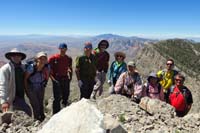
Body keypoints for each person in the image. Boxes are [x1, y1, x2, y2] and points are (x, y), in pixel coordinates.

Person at [0, 48, 32, 116]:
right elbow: (2, 85)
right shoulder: (5, 69)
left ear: (21, 57)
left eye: (18, 56)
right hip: (12, 96)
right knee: (27, 110)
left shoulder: (22, 67)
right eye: (14, 55)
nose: (16, 57)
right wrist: (3, 101)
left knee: (16, 113)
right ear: (10, 57)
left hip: (21, 95)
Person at [24, 52, 50, 121]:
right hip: (31, 87)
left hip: (41, 86)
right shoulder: (31, 67)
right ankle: (36, 119)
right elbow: (25, 78)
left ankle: (42, 117)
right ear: (37, 59)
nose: (42, 60)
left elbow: (47, 76)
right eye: (40, 58)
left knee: (41, 103)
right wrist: (27, 90)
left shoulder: (46, 67)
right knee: (35, 104)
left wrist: (45, 84)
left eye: (44, 58)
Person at [48, 43, 73, 114]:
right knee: (57, 97)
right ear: (59, 49)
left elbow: (70, 68)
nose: (63, 50)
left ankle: (64, 111)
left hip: (65, 78)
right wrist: (53, 80)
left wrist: (70, 78)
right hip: (57, 79)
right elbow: (48, 70)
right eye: (62, 49)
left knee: (66, 95)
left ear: (66, 49)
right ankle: (55, 113)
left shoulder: (68, 58)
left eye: (64, 49)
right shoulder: (53, 58)